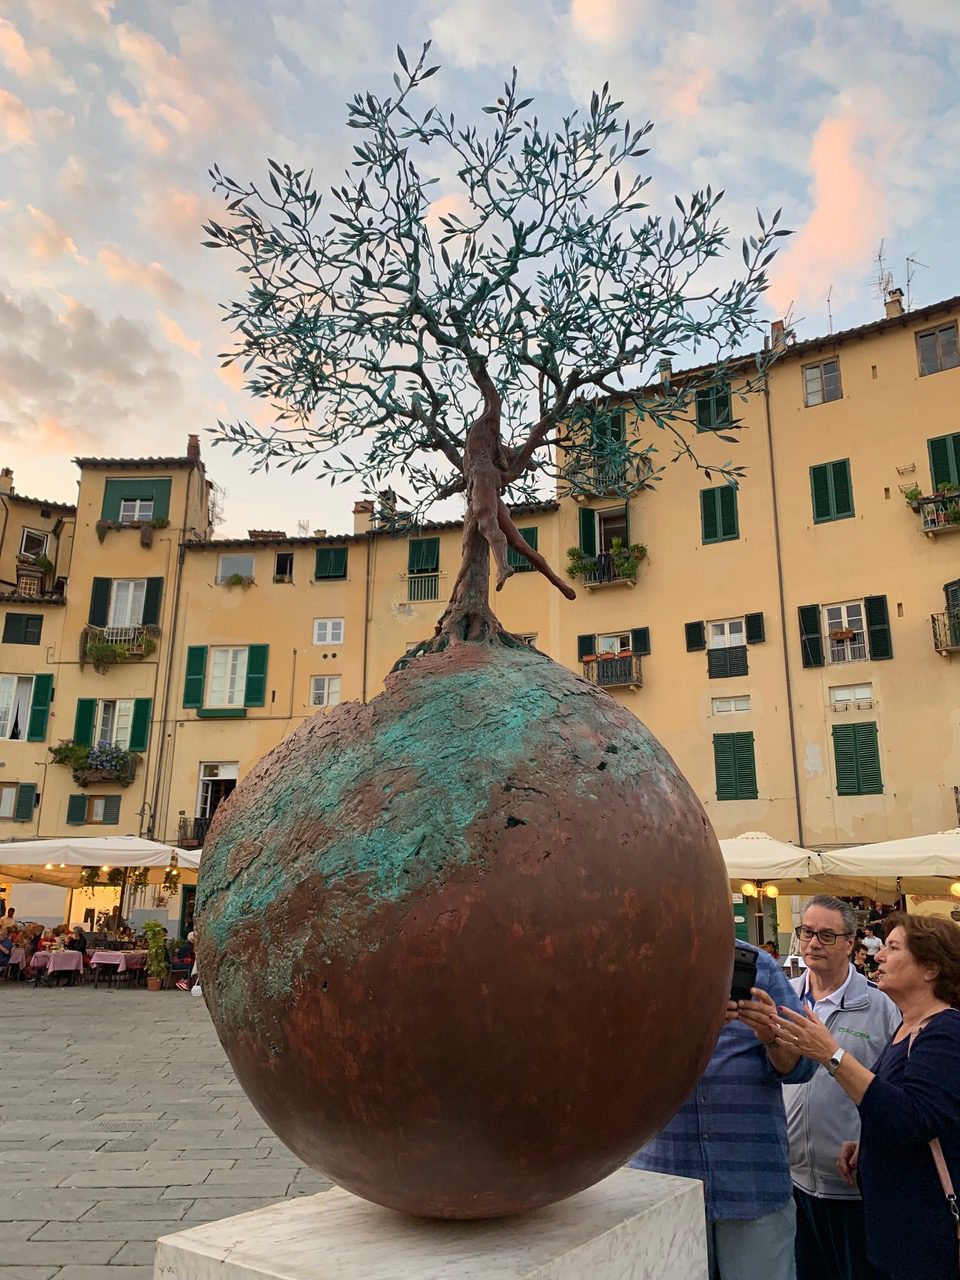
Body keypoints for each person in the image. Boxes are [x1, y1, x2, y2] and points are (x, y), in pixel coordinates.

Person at [774, 913, 960, 1280]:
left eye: (892, 948)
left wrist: (832, 1054)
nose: (877, 956)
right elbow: (897, 1106)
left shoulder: (947, 1031)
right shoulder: (909, 1027)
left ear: (931, 968)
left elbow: (911, 1118)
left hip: (925, 1235)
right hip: (893, 1227)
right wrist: (867, 1143)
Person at [631, 941, 816, 1280]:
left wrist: (772, 1037)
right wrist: (685, 1028)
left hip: (751, 1184)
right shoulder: (642, 964)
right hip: (666, 1185)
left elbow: (802, 1067)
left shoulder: (759, 965)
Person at [783, 895, 899, 1280]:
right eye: (807, 932)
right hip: (792, 1185)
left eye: (827, 935)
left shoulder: (881, 1007)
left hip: (852, 1187)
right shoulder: (783, 1001)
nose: (813, 943)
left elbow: (892, 1089)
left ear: (851, 943)